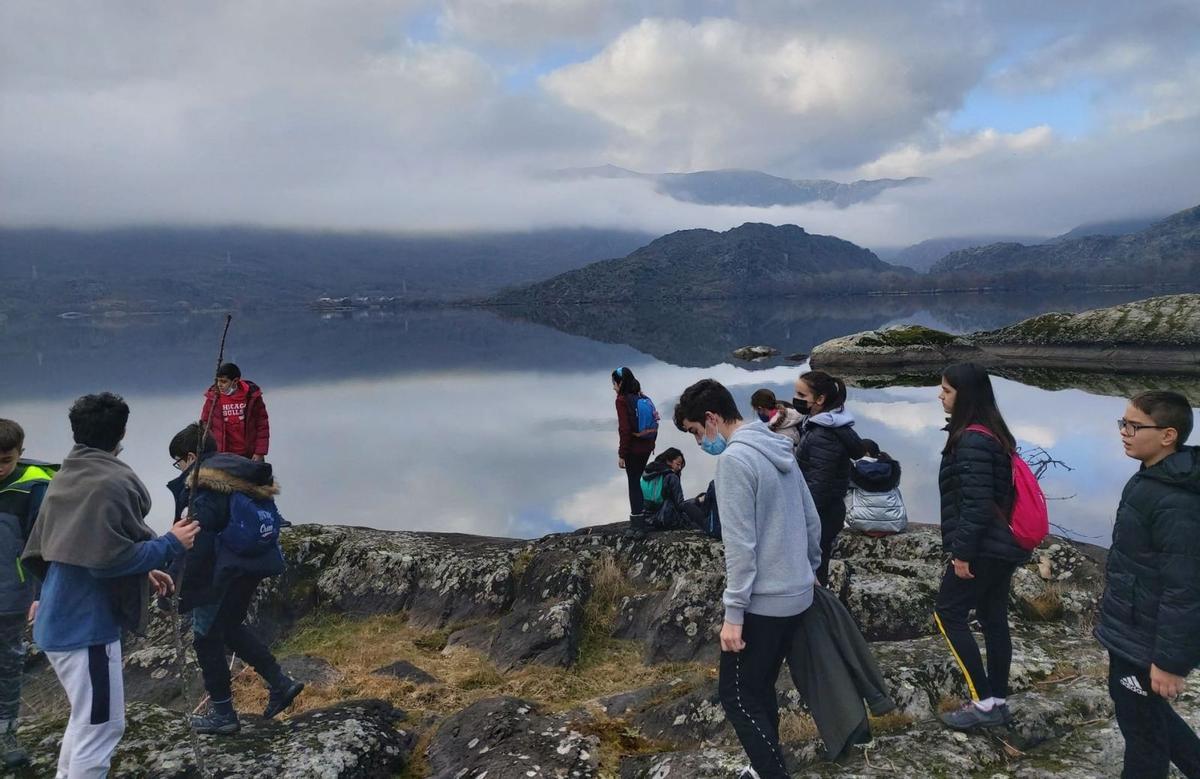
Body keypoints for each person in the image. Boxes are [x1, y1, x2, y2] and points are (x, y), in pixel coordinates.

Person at [21, 393, 199, 778]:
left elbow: (78, 547)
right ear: (122, 433)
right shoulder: (110, 483)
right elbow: (107, 559)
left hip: (59, 618)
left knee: (86, 721)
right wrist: (170, 544)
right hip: (86, 629)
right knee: (101, 728)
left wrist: (143, 570)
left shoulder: (69, 474)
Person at [674, 378, 822, 779]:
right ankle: (762, 768)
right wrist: (811, 569)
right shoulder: (778, 447)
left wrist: (733, 614)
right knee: (760, 687)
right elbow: (811, 518)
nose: (699, 442)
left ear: (711, 418)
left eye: (695, 432)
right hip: (797, 592)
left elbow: (740, 546)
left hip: (764, 601)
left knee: (737, 696)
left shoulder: (735, 461)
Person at [167, 424, 303, 735]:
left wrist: (179, 586)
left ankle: (223, 714)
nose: (180, 469)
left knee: (205, 639)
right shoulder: (240, 473)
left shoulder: (204, 487)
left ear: (191, 457)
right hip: (251, 566)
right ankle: (280, 683)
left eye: (179, 462)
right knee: (228, 627)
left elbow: (199, 540)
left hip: (223, 571)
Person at [1094, 391, 1200, 778]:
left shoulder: (1177, 502)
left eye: (1134, 426)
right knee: (1142, 711)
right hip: (1133, 628)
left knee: (1143, 735)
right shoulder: (1152, 477)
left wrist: (1169, 663)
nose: (1124, 432)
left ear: (1168, 435)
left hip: (1147, 638)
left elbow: (1185, 588)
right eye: (1122, 423)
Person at [933, 363, 1029, 731]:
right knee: (992, 618)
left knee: (948, 613)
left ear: (966, 396)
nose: (940, 396)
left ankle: (984, 703)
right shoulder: (992, 433)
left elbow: (976, 504)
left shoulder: (972, 441)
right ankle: (998, 700)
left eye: (947, 390)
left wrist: (962, 554)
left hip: (983, 549)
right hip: (1001, 546)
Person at [0, 420, 56, 768]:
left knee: (8, 664)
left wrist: (41, 593)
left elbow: (44, 547)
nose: (0, 467)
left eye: (6, 460)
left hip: (11, 596)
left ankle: (7, 734)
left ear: (20, 453)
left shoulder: (34, 488)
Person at [793, 370, 866, 585]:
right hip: (828, 512)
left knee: (814, 571)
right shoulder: (824, 426)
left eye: (801, 395)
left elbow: (819, 485)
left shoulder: (823, 435)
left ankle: (817, 603)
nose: (796, 399)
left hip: (820, 516)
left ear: (820, 399)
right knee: (818, 565)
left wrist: (801, 518)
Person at [612, 367, 656, 537]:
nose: (613, 387)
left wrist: (622, 454)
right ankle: (643, 518)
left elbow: (625, 429)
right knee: (637, 480)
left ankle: (637, 525)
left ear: (620, 383)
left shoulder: (622, 400)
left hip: (634, 449)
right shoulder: (641, 396)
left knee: (633, 483)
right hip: (647, 446)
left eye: (614, 383)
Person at [201, 363, 270, 461]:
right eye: (217, 381)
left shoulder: (252, 397)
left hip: (250, 455)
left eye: (223, 381)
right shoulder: (213, 398)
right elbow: (204, 426)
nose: (219, 385)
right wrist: (207, 453)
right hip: (221, 456)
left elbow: (262, 426)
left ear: (235, 381)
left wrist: (259, 452)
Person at [845, 439, 908, 537]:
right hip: (895, 523)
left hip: (861, 523)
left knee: (846, 488)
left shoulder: (855, 468)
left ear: (867, 453)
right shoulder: (891, 468)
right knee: (895, 488)